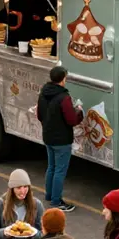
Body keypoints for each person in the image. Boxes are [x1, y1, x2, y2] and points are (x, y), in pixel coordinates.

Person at [36, 65, 83, 212]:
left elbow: (39, 115)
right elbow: (71, 120)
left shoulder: (43, 93)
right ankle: (56, 202)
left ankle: (49, 195)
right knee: (60, 171)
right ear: (63, 79)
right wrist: (79, 112)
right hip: (62, 140)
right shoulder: (64, 97)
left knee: (51, 167)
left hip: (48, 136)